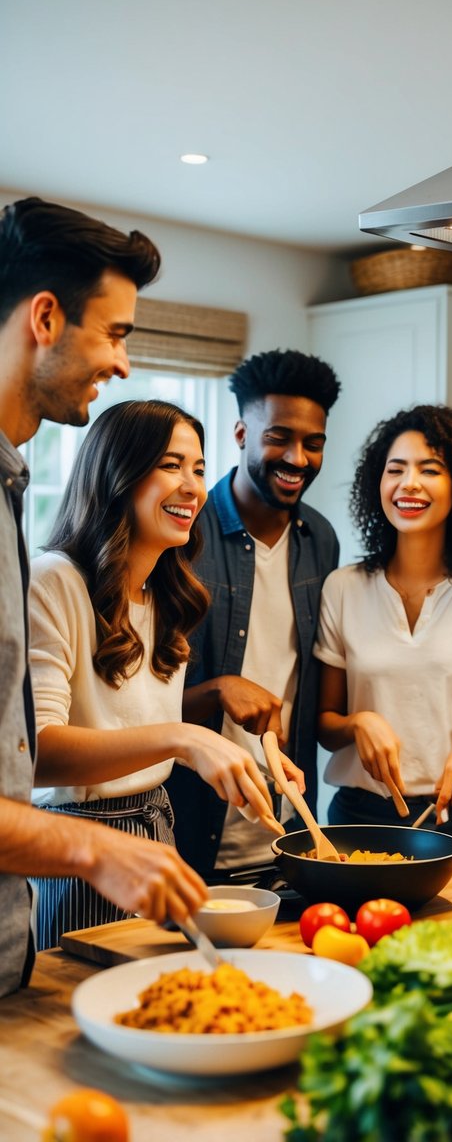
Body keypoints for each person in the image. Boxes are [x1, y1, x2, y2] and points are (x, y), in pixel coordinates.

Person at [0, 195, 206, 995]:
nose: (123, 363)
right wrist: (89, 846)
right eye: (115, 333)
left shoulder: (12, 494)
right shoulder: (57, 571)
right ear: (46, 317)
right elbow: (45, 747)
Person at [29, 400, 298, 947]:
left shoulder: (165, 596)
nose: (194, 488)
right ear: (118, 472)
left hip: (157, 834)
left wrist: (244, 766)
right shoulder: (54, 581)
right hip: (79, 850)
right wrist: (185, 739)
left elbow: (135, 729)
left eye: (199, 469)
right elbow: (36, 753)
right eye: (171, 465)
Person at [314, 404, 452, 859]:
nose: (409, 483)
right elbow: (325, 724)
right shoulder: (343, 588)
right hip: (358, 815)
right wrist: (358, 723)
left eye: (430, 470)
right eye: (396, 469)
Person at [167, 349, 341, 878]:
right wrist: (219, 687)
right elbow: (132, 702)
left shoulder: (321, 539)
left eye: (313, 444)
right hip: (186, 828)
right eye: (279, 438)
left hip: (289, 832)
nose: (297, 458)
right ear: (242, 434)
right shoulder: (180, 535)